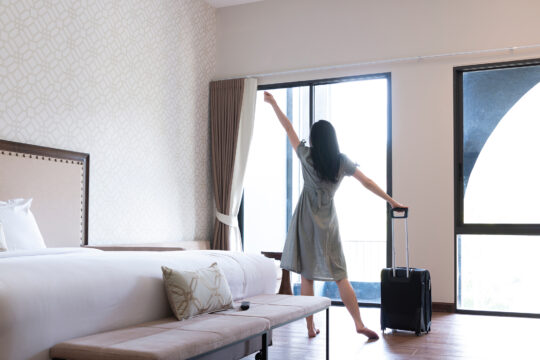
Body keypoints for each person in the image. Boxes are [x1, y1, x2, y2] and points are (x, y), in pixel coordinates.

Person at [263, 91, 407, 340]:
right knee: (341, 275)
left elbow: (288, 127)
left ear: (316, 140)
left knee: (306, 275)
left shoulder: (306, 155)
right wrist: (392, 201)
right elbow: (368, 182)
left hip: (306, 220)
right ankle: (359, 323)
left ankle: (310, 327)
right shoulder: (341, 161)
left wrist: (274, 103)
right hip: (328, 221)